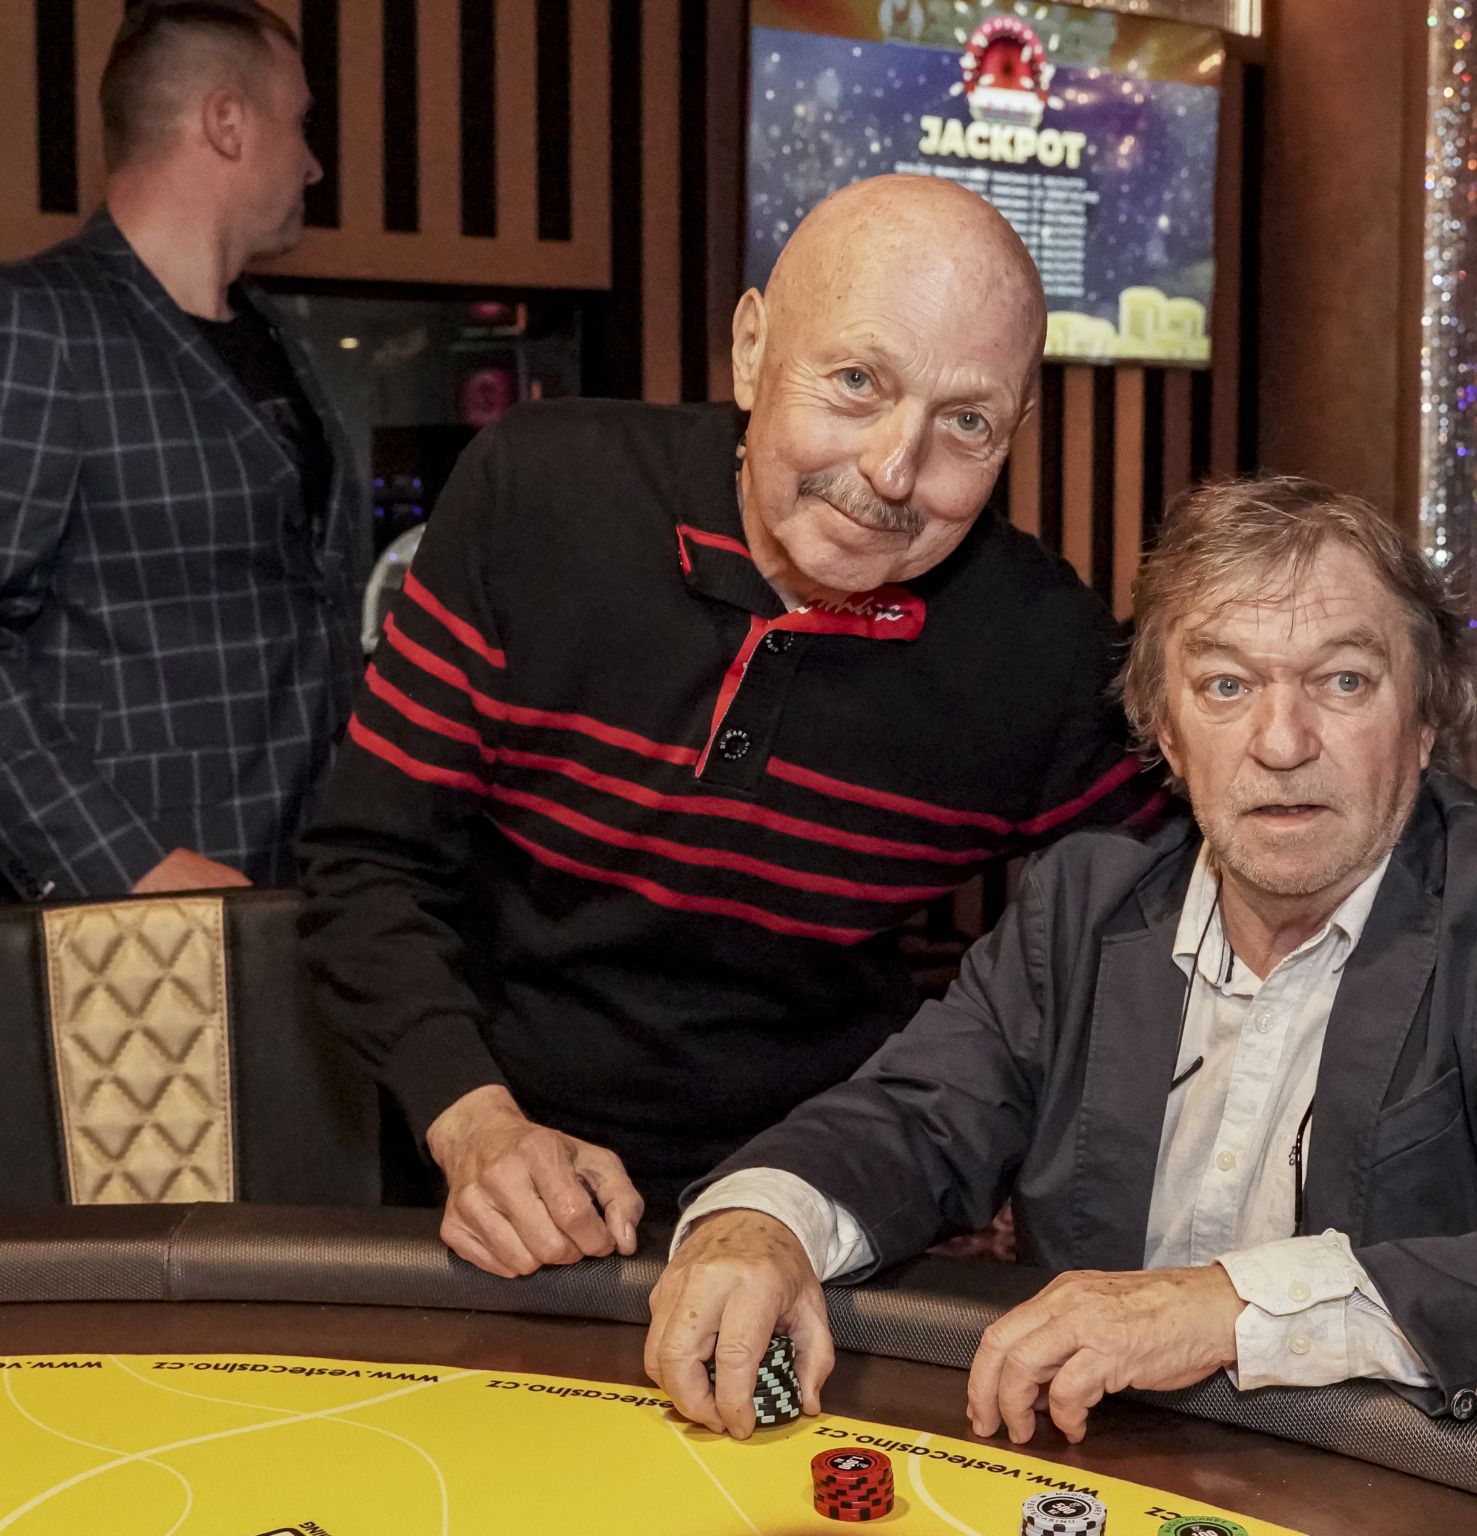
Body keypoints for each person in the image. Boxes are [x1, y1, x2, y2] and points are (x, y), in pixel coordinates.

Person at [647, 476, 1477, 1444]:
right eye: (1225, 687)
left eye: (1344, 681)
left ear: (1424, 721)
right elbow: (910, 1117)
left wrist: (1221, 1306)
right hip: (1112, 1463)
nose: (1282, 742)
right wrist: (764, 1222)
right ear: (1165, 732)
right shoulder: (1081, 906)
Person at [297, 175, 1160, 1278]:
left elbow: (1183, 911)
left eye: (966, 423)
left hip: (827, 1213)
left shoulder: (1040, 647)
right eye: (856, 381)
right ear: (752, 350)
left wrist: (1010, 1151)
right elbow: (367, 865)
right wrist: (474, 1126)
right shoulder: (539, 492)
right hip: (487, 1159)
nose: (894, 471)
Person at [0, 0, 366, 901]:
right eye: (300, 121)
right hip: (126, 925)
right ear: (226, 121)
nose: (313, 163)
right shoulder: (39, 323)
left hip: (297, 896)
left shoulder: (274, 335)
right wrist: (129, 866)